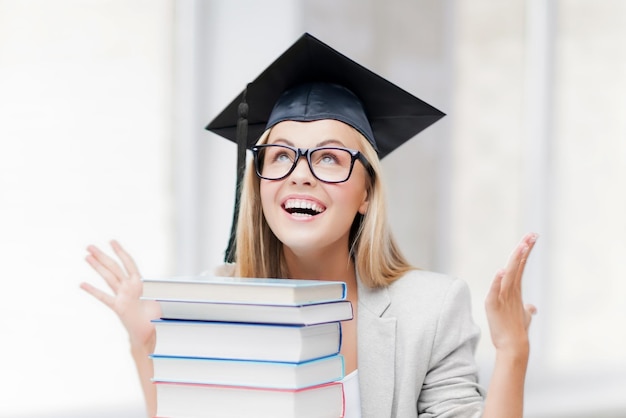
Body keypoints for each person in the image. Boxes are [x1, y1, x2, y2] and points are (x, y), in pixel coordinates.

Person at [80, 33, 537, 418]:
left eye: (330, 158)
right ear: (257, 185)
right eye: (280, 155)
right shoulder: (217, 304)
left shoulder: (429, 310)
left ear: (366, 194)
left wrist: (512, 352)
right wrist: (146, 343)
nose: (300, 173)